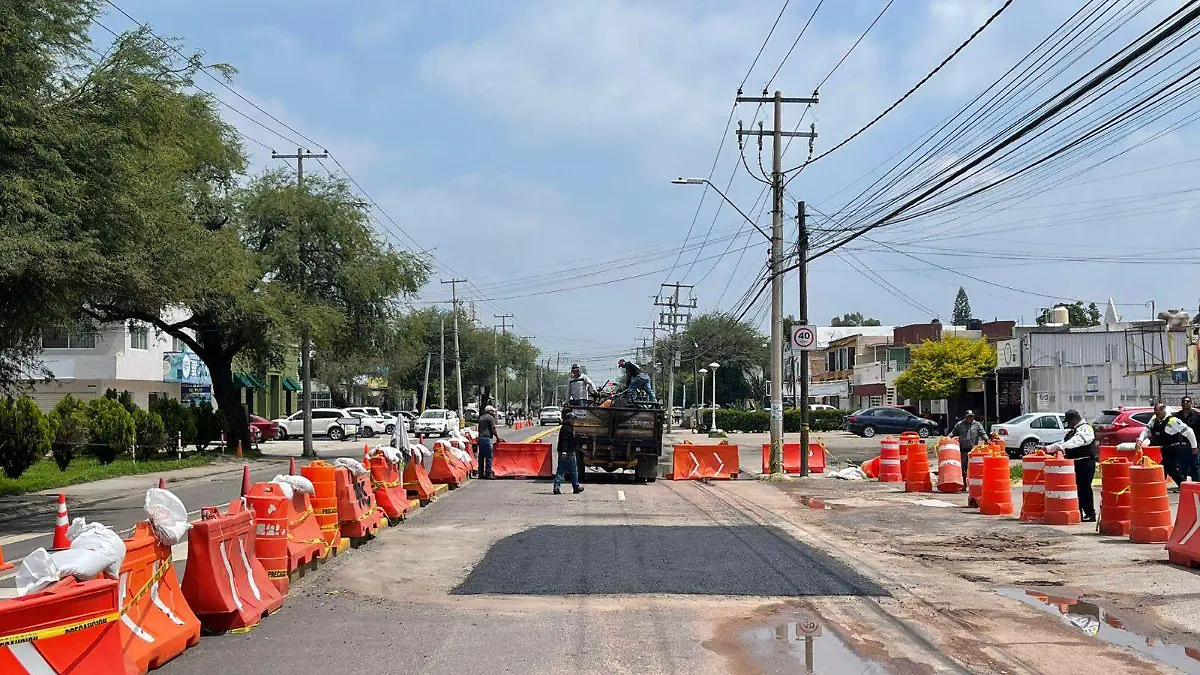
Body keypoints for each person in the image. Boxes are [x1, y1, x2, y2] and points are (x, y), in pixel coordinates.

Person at [1047, 409, 1099, 522]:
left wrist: (1063, 447)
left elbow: (1079, 440)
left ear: (1075, 420)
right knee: (1077, 489)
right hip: (1075, 463)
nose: (1069, 425)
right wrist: (1048, 448)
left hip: (1085, 463)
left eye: (1069, 422)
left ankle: (1090, 513)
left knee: (1084, 488)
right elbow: (1062, 442)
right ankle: (1078, 511)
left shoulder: (1086, 428)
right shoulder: (1073, 431)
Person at [1137, 402, 1197, 489]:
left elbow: (1189, 432)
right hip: (1160, 450)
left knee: (1169, 468)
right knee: (1166, 469)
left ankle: (1184, 487)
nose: (1156, 415)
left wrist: (1194, 447)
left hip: (1172, 449)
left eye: (1158, 413)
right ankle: (1161, 487)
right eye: (1155, 413)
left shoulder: (1173, 420)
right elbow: (1147, 430)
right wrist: (1141, 439)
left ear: (1163, 410)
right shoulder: (1154, 419)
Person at [951, 410, 987, 479]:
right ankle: (964, 484)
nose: (971, 418)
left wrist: (987, 439)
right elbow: (953, 432)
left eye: (972, 417)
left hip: (973, 451)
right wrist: (948, 438)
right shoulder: (960, 424)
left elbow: (982, 433)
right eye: (969, 417)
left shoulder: (977, 425)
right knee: (963, 468)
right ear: (965, 417)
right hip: (963, 450)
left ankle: (972, 484)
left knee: (973, 468)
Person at [1175, 396, 1200, 482]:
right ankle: (1183, 485)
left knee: (1195, 466)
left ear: (1191, 403)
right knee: (1182, 466)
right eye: (1183, 401)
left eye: (1187, 401)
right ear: (1181, 403)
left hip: (1194, 445)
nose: (1185, 403)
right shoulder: (1176, 416)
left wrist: (1197, 446)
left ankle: (1196, 485)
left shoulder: (1197, 416)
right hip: (1180, 445)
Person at [476, 405, 502, 479]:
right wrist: (497, 437)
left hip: (480, 438)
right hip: (487, 439)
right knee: (489, 457)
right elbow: (493, 429)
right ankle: (488, 473)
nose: (494, 413)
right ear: (490, 411)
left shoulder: (481, 417)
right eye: (493, 411)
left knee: (481, 457)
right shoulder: (490, 418)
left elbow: (479, 429)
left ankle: (480, 473)